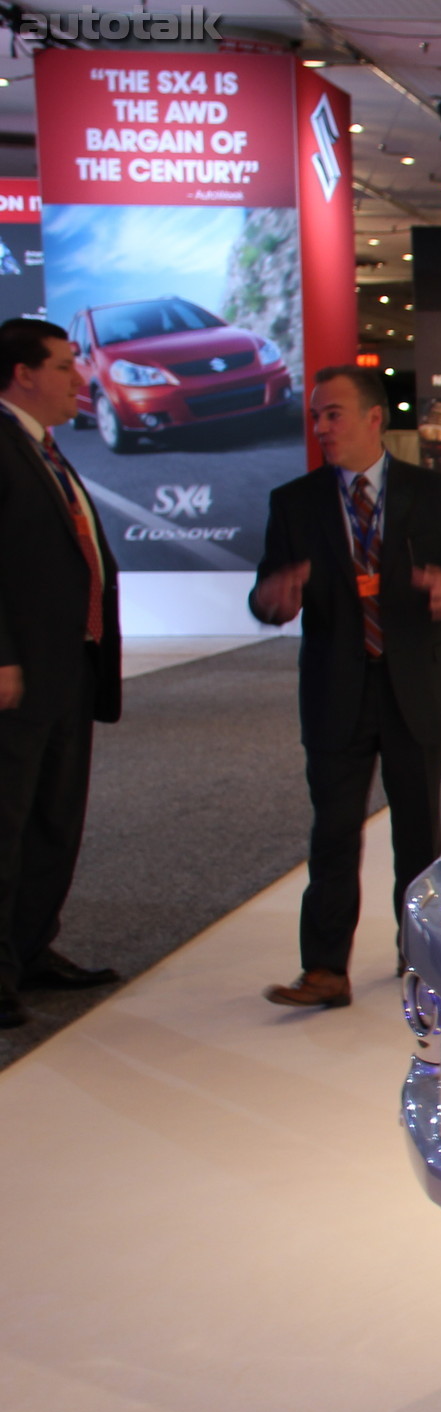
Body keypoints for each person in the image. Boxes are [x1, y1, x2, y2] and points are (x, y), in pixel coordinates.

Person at [251, 366, 441, 1010]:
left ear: (372, 419)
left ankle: (423, 960)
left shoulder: (434, 494)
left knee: (422, 836)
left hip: (420, 690)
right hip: (336, 690)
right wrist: (273, 599)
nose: (321, 427)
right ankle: (325, 970)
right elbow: (266, 593)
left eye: (332, 414)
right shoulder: (294, 502)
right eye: (314, 416)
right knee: (332, 832)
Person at [0, 317, 122, 1029]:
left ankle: (28, 946)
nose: (81, 379)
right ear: (23, 373)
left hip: (69, 666)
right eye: (66, 366)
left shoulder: (45, 450)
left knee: (54, 817)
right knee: (8, 819)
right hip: (19, 672)